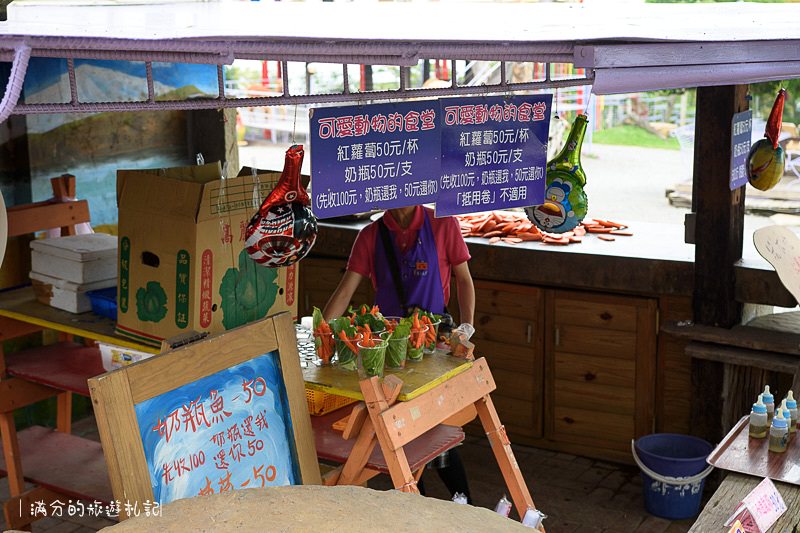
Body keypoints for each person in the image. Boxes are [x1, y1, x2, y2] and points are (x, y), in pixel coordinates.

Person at [323, 204, 476, 503]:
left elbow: (464, 279)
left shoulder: (443, 224)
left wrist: (467, 327)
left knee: (437, 433)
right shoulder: (370, 235)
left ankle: (466, 504)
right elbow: (345, 290)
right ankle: (416, 506)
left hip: (433, 346)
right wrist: (323, 332)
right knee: (402, 436)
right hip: (390, 352)